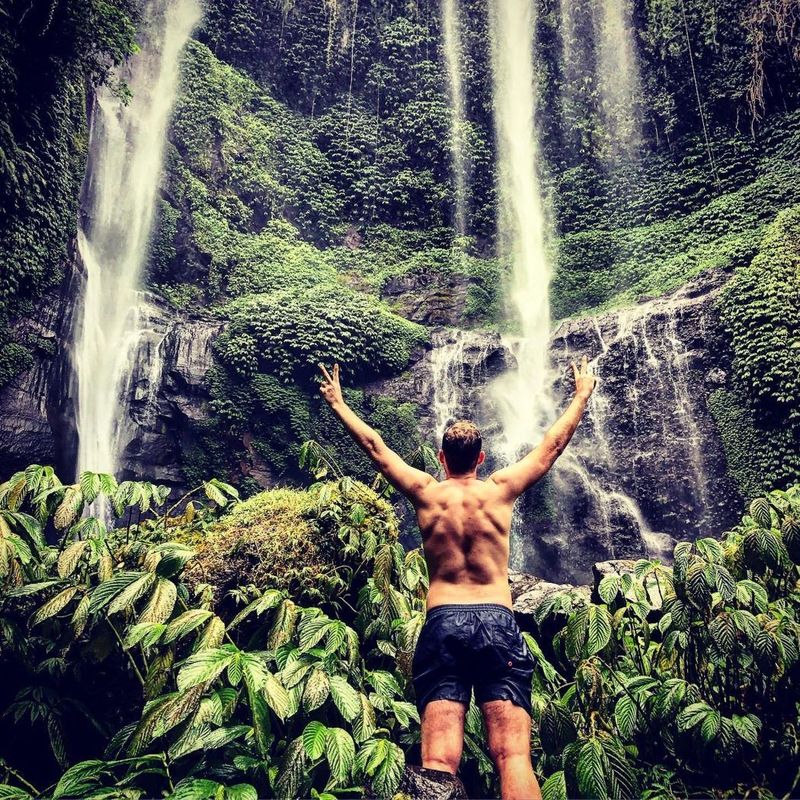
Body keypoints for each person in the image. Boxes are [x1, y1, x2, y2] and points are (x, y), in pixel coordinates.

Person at [318, 358, 597, 800]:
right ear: (481, 458)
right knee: (514, 756)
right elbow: (550, 447)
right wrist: (581, 395)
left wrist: (338, 403)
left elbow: (375, 446)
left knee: (438, 762)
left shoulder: (427, 492)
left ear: (442, 458)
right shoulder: (500, 489)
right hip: (497, 621)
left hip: (444, 620)